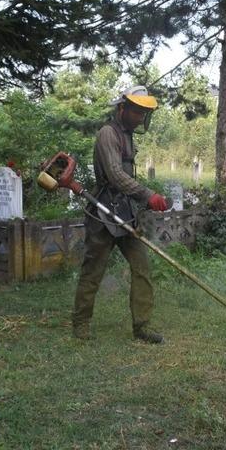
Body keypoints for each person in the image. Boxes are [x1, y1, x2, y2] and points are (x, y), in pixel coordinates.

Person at [72, 85, 170, 344]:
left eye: (143, 114)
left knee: (142, 269)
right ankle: (81, 323)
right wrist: (147, 195)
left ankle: (142, 325)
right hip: (103, 213)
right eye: (137, 112)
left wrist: (142, 200)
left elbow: (126, 179)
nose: (140, 118)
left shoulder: (127, 135)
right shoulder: (108, 133)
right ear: (122, 108)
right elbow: (115, 175)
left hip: (126, 212)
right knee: (93, 271)